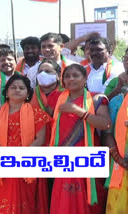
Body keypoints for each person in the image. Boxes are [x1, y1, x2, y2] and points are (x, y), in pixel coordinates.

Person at [47, 64, 111, 214]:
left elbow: (106, 124)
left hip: (87, 160)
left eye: (76, 75)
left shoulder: (96, 98)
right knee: (64, 202)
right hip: (63, 160)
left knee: (88, 203)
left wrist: (80, 112)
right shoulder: (56, 98)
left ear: (85, 78)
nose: (71, 79)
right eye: (67, 76)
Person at [0, 74, 51, 214]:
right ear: (6, 92)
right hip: (2, 162)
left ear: (28, 93)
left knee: (26, 202)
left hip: (26, 164)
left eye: (22, 88)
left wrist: (20, 157)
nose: (17, 90)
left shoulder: (36, 113)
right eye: (13, 87)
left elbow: (40, 139)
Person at [104, 60, 128, 213]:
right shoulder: (117, 102)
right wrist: (119, 159)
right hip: (121, 166)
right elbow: (107, 133)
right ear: (126, 77)